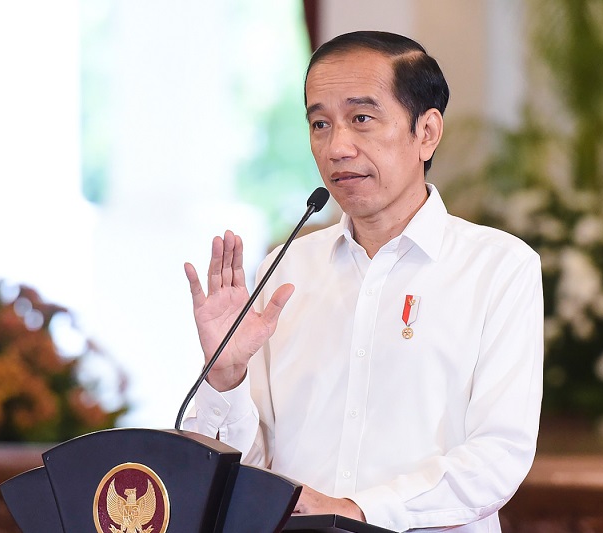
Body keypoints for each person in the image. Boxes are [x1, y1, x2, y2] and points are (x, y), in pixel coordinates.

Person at [182, 31, 543, 533]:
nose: (337, 147)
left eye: (361, 119)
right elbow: (241, 469)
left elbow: (498, 455)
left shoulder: (499, 268)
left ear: (427, 132)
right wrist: (226, 378)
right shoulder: (283, 272)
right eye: (320, 124)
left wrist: (358, 511)